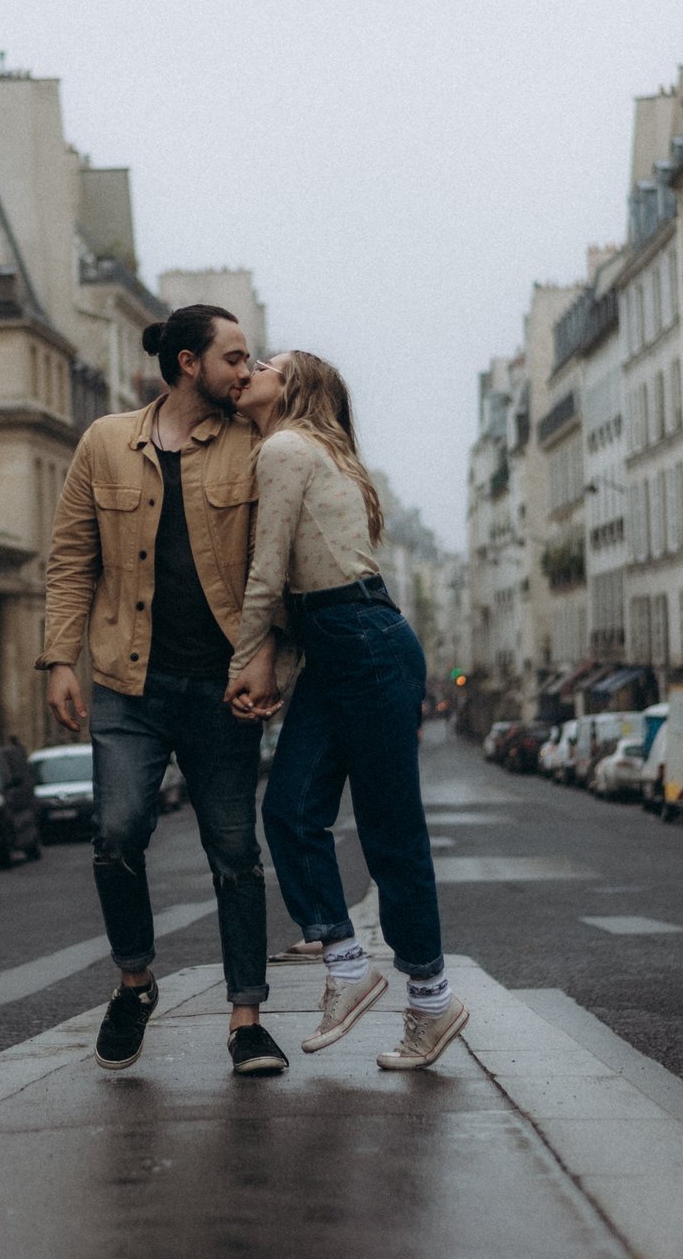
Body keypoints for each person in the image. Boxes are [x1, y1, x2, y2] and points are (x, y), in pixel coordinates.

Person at [40, 306, 290, 1078]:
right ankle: (136, 981)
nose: (247, 371)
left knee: (234, 851)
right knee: (116, 834)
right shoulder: (105, 443)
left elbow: (278, 565)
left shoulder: (257, 446)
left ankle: (246, 1018)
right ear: (189, 363)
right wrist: (58, 659)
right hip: (127, 679)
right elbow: (72, 557)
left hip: (220, 688)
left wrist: (268, 659)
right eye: (236, 358)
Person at [228, 351, 465, 1071]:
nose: (251, 368)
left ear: (293, 388)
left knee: (390, 831)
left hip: (362, 645)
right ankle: (347, 964)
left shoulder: (285, 447)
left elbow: (270, 572)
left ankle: (431, 999)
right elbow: (308, 587)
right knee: (291, 808)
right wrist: (282, 663)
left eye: (266, 362)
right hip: (345, 645)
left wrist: (246, 660)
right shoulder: (309, 450)